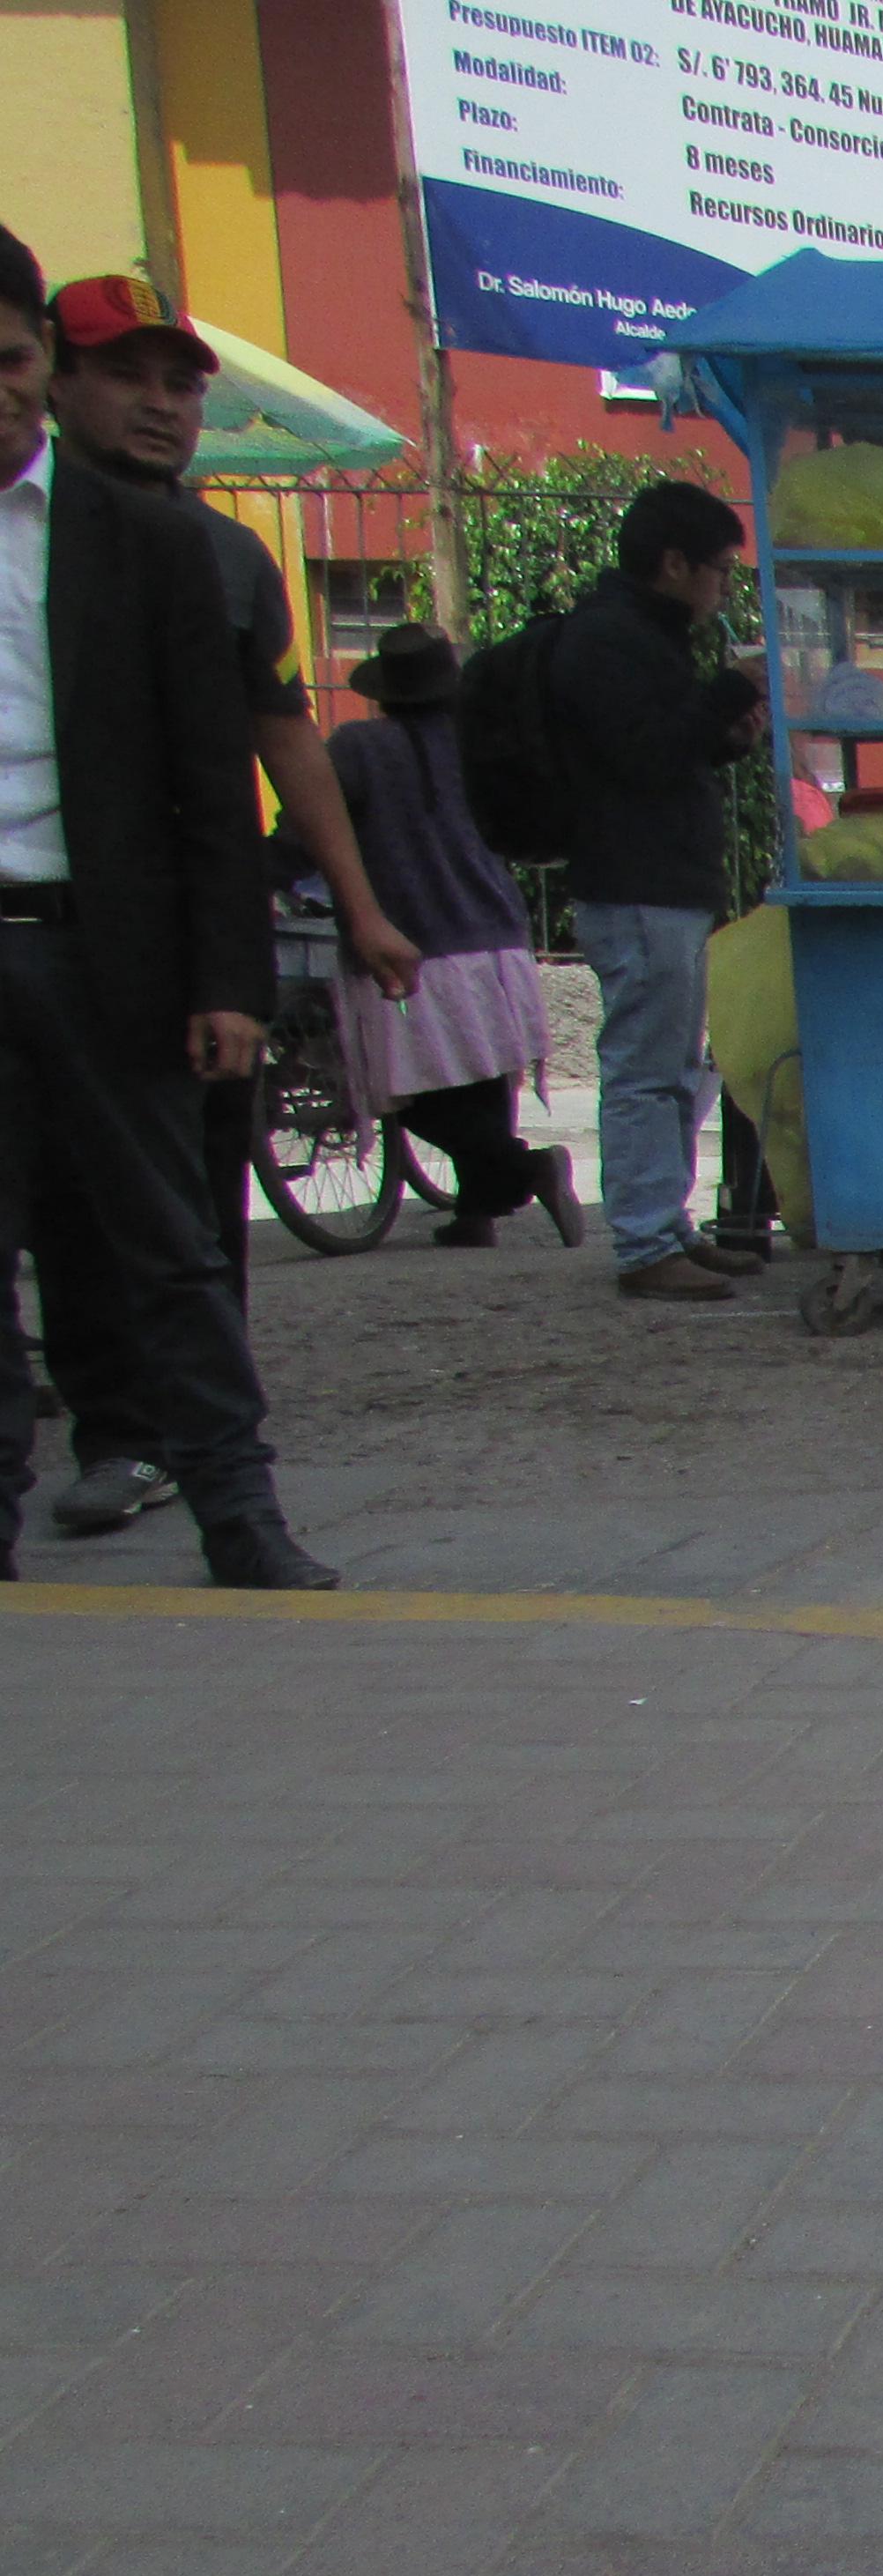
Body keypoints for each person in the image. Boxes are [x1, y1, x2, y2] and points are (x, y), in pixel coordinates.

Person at [25, 270, 423, 1536]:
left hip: (132, 945)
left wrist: (352, 911)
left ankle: (218, 1486)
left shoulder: (201, 552)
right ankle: (112, 1433)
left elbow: (255, 749)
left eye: (178, 384)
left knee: (178, 1222)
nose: (156, 407)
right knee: (65, 1218)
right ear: (59, 376)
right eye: (124, 376)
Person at [0, 224, 338, 1588]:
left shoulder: (143, 543)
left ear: (36, 367)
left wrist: (229, 983)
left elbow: (215, 781)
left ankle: (239, 1518)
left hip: (103, 952)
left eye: (10, 359)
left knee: (175, 1251)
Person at [548, 478, 766, 1302]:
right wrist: (728, 691)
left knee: (676, 1066)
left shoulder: (649, 638)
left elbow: (668, 755)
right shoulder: (609, 642)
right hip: (634, 884)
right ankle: (644, 1240)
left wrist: (724, 733)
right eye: (717, 569)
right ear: (673, 563)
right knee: (645, 1070)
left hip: (662, 882)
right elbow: (639, 755)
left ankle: (666, 1225)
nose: (721, 587)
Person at [323, 622, 582, 1247]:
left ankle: (526, 1169)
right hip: (497, 932)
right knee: (486, 1074)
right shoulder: (479, 743)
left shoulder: (356, 748)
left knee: (408, 1092)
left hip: (413, 939)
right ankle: (477, 1212)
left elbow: (310, 830)